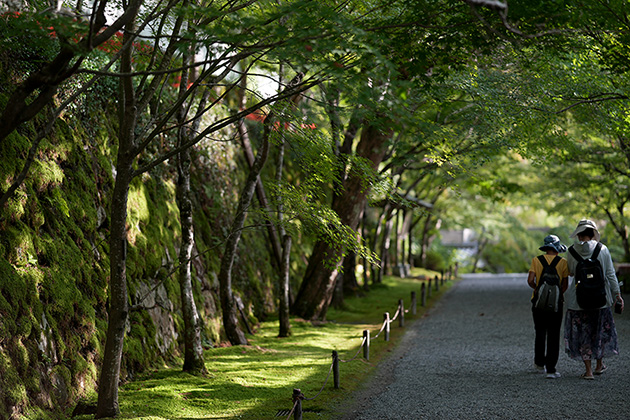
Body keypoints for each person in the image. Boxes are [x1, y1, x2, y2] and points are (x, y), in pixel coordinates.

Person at [564, 219, 625, 379]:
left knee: (583, 334)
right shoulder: (602, 249)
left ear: (578, 235)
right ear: (593, 234)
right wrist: (617, 295)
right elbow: (610, 274)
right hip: (601, 299)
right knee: (599, 332)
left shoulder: (571, 251)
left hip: (578, 301)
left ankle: (588, 371)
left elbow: (570, 271)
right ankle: (599, 365)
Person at [527, 234, 569, 379]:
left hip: (538, 302)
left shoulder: (536, 260)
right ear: (557, 248)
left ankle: (539, 364)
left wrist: (538, 290)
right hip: (556, 304)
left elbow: (530, 280)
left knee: (540, 332)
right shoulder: (563, 262)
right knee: (554, 334)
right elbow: (565, 284)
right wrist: (556, 294)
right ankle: (551, 369)